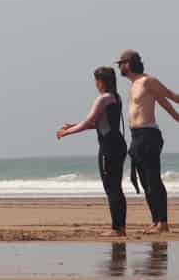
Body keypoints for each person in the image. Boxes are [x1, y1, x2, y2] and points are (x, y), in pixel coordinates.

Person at [57, 67, 128, 236]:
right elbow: (97, 123)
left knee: (111, 187)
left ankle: (117, 229)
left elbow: (89, 121)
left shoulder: (102, 99)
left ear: (101, 82)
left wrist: (67, 132)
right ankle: (120, 227)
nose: (95, 84)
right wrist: (74, 126)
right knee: (116, 187)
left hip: (108, 147)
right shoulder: (116, 97)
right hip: (118, 144)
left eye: (96, 81)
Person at [116, 50, 179, 234]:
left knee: (153, 179)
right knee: (145, 182)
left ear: (129, 63)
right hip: (136, 136)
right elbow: (162, 102)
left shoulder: (147, 81)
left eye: (121, 63)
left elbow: (170, 96)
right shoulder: (134, 84)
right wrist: (177, 117)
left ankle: (163, 222)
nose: (120, 67)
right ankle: (155, 220)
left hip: (148, 135)